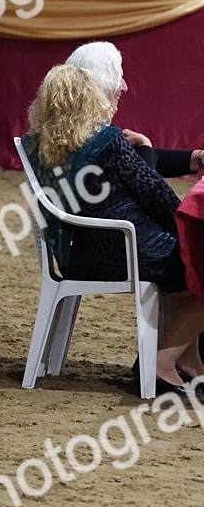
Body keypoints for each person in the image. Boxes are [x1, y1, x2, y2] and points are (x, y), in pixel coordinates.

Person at [25, 63, 204, 396]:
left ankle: (190, 363)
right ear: (90, 98)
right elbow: (160, 197)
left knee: (188, 274)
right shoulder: (107, 142)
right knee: (199, 268)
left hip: (82, 255)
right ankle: (161, 366)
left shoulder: (41, 148)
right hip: (128, 253)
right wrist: (147, 147)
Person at [66, 40, 204, 177]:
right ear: (102, 81)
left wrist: (198, 158)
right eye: (119, 77)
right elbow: (147, 187)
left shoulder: (71, 128)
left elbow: (137, 160)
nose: (124, 87)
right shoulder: (98, 138)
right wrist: (145, 144)